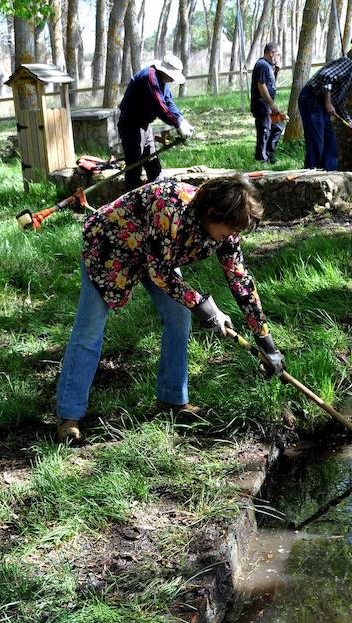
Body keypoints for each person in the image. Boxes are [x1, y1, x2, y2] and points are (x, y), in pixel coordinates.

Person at [56, 175, 284, 442]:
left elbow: (240, 280)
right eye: (229, 229)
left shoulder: (225, 232)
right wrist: (203, 305)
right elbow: (161, 272)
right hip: (111, 244)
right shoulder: (171, 207)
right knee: (90, 328)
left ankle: (172, 398)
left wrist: (266, 342)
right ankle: (69, 416)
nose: (232, 237)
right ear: (211, 213)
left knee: (178, 314)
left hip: (156, 252)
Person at [117, 53, 195, 191]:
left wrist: (181, 120)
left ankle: (156, 200)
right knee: (134, 167)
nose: (172, 80)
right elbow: (160, 106)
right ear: (165, 71)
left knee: (153, 165)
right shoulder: (149, 78)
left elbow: (168, 102)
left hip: (144, 125)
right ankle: (131, 205)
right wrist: (176, 123)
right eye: (172, 77)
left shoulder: (161, 80)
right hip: (131, 126)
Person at [298, 50, 352, 171]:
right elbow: (326, 77)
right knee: (317, 141)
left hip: (321, 104)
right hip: (312, 99)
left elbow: (339, 101)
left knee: (330, 146)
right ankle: (311, 174)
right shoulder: (347, 64)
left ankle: (329, 174)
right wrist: (327, 102)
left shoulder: (351, 78)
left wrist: (349, 121)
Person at [251, 42, 283, 164]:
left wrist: (277, 71)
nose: (279, 58)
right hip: (262, 106)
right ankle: (261, 160)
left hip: (268, 107)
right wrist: (271, 104)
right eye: (278, 55)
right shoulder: (262, 65)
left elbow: (270, 83)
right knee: (264, 132)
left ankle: (270, 154)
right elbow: (261, 85)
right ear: (271, 53)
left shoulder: (268, 66)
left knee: (278, 126)